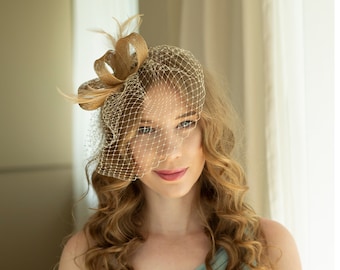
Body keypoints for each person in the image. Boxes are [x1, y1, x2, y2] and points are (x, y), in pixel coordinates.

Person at [58, 15, 301, 270]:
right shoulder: (85, 254)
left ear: (209, 131)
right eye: (145, 129)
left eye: (185, 124)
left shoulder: (271, 245)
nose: (170, 152)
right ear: (121, 145)